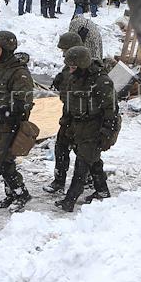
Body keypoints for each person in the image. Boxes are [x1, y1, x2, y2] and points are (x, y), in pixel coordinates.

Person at [54, 45, 117, 212]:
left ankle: (70, 200)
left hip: (94, 128)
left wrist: (106, 132)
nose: (70, 70)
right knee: (92, 160)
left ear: (82, 65)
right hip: (78, 127)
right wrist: (65, 124)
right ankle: (102, 190)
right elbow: (69, 103)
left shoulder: (102, 82)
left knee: (82, 164)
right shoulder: (75, 78)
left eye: (73, 67)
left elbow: (111, 110)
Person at [0, 30, 34, 210]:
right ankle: (11, 194)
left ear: (7, 50)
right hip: (2, 123)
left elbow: (21, 103)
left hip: (13, 123)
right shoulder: (1, 69)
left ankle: (21, 193)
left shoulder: (19, 73)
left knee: (2, 162)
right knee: (6, 160)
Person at [45, 32, 85, 194]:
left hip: (83, 118)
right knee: (61, 147)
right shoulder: (69, 66)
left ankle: (92, 180)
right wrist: (60, 79)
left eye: (65, 50)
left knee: (84, 153)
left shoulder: (85, 66)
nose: (63, 54)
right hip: (68, 115)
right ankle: (58, 181)